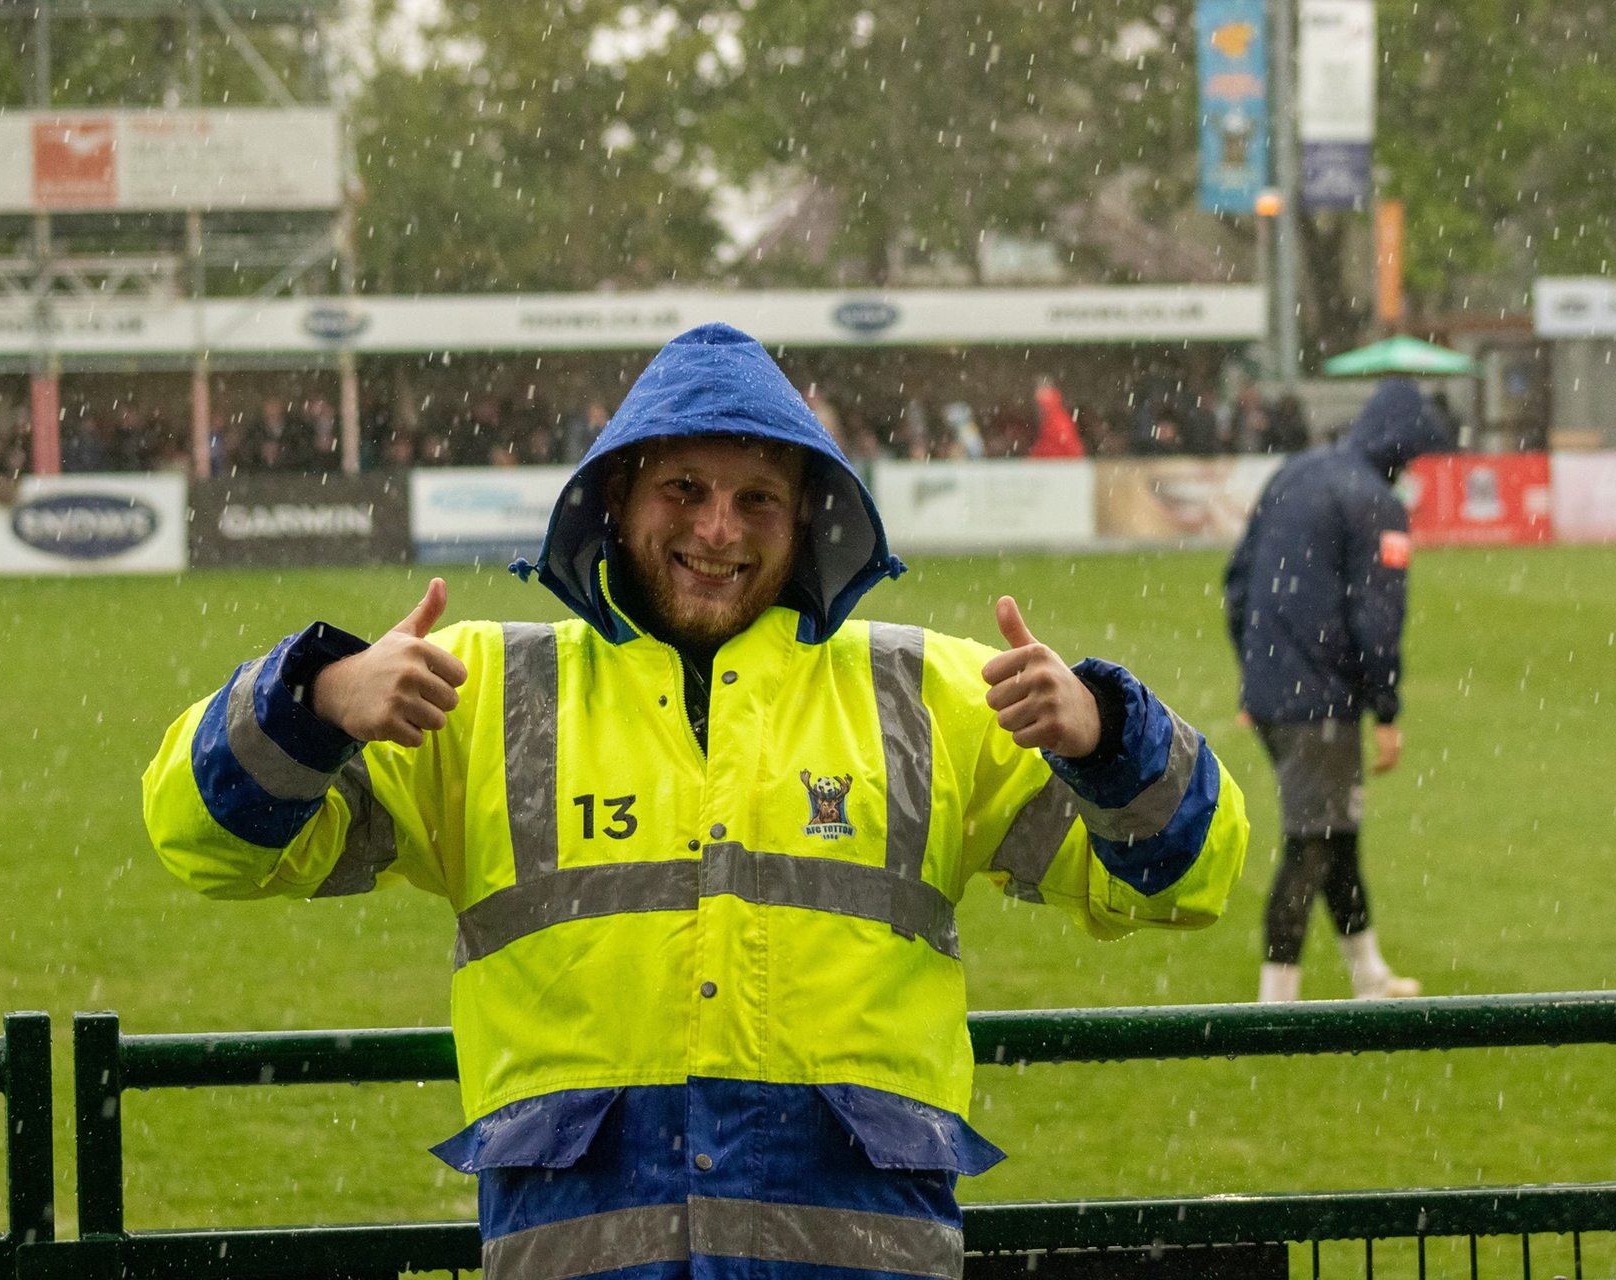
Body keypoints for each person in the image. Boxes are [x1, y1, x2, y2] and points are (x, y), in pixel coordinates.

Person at [143, 323, 1248, 1279]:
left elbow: (1191, 882)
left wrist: (1110, 738)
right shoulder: (477, 695)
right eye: (684, 489)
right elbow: (203, 842)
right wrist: (319, 697)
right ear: (615, 498)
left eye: (757, 497)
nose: (718, 529)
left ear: (808, 513)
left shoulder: (936, 695)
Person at [1224, 378, 1453, 1005]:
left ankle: (1368, 975)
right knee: (1313, 844)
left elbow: (1238, 583)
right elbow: (1377, 619)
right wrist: (1387, 709)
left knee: (1337, 835)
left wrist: (1255, 677)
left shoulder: (1294, 473)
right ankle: (1276, 1002)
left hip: (1277, 692)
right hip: (1319, 700)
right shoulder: (1376, 502)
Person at [1028, 382, 1086, 459]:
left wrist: (1035, 456)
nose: (1038, 410)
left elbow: (1055, 447)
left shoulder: (1059, 422)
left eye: (1040, 407)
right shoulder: (1052, 421)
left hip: (1064, 467)